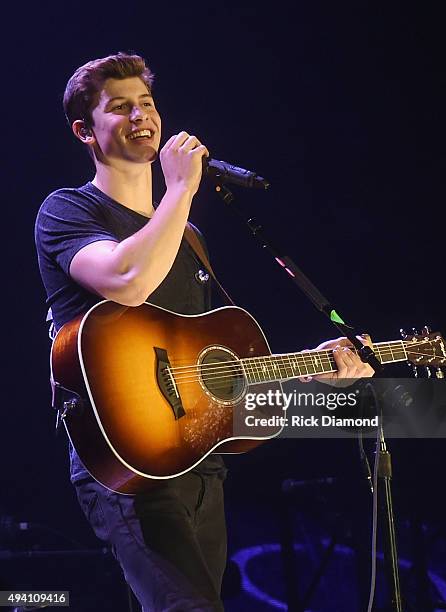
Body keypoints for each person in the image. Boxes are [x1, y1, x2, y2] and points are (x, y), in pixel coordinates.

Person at [34, 52, 373, 612]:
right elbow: (126, 279)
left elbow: (212, 380)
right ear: (84, 132)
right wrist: (179, 191)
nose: (141, 115)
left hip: (199, 468)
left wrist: (318, 373)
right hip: (127, 472)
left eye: (146, 103)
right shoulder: (67, 211)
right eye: (119, 108)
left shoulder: (186, 235)